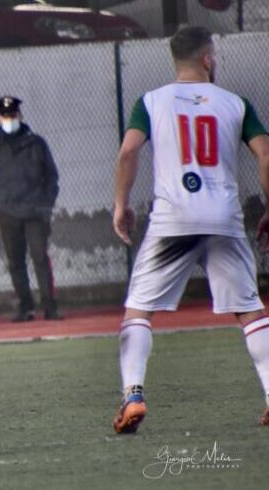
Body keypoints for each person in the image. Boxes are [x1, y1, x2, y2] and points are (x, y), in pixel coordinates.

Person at [111, 26, 269, 433]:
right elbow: (265, 154)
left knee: (138, 310)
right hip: (223, 219)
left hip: (172, 220)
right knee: (250, 310)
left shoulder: (150, 102)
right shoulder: (236, 103)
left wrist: (121, 204)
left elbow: (129, 151)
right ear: (207, 59)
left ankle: (133, 396)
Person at [0, 95, 62, 323]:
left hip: (35, 210)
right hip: (7, 212)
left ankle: (50, 307)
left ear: (20, 115)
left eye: (13, 115)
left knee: (40, 258)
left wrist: (46, 205)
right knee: (15, 262)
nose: (9, 119)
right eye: (5, 115)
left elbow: (51, 177)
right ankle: (25, 307)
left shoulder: (36, 143)